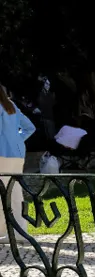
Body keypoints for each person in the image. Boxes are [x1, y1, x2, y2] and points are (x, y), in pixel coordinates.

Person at [0, 83, 36, 241]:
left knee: (5, 193)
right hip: (17, 153)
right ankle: (17, 230)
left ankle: (11, 231)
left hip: (2, 154)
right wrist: (17, 140)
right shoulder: (11, 105)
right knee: (14, 191)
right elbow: (30, 128)